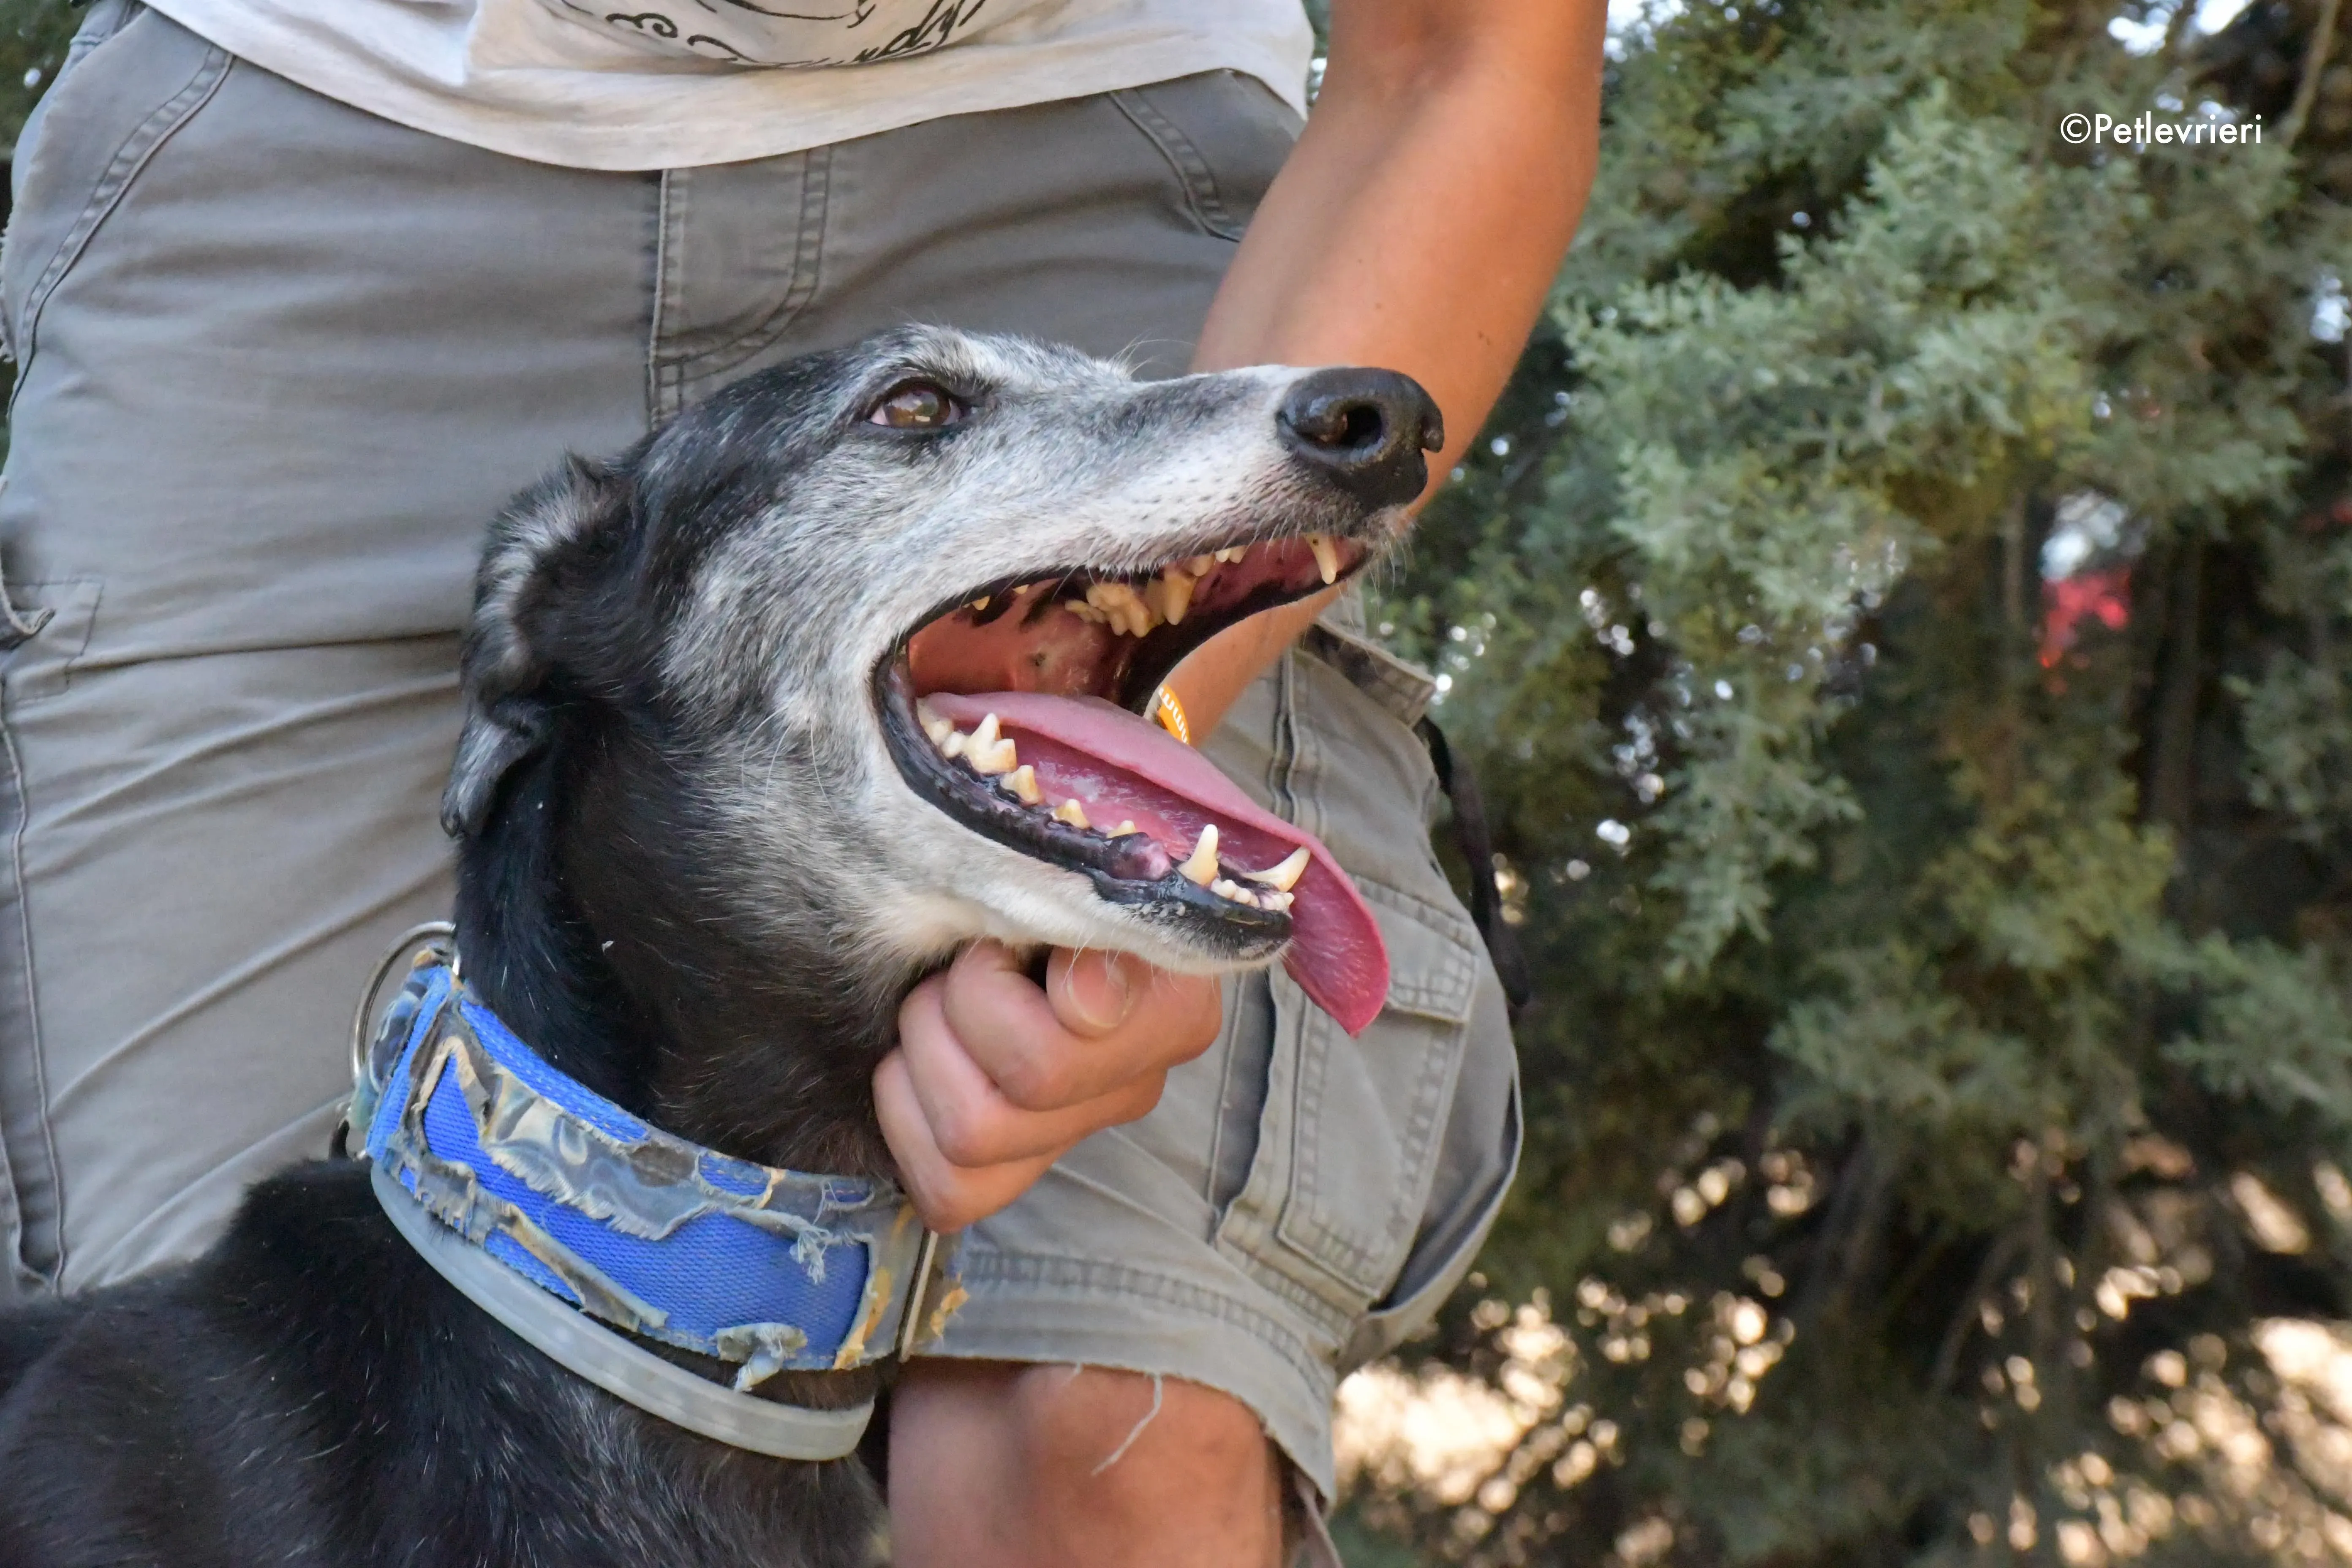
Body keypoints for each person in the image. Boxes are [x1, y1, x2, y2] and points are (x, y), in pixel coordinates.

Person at [0, 0, 1601, 1560]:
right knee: (198, 1452)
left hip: (1083, 144)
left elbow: (1469, 53)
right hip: (324, 170)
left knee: (1090, 1429)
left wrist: (1096, 784)